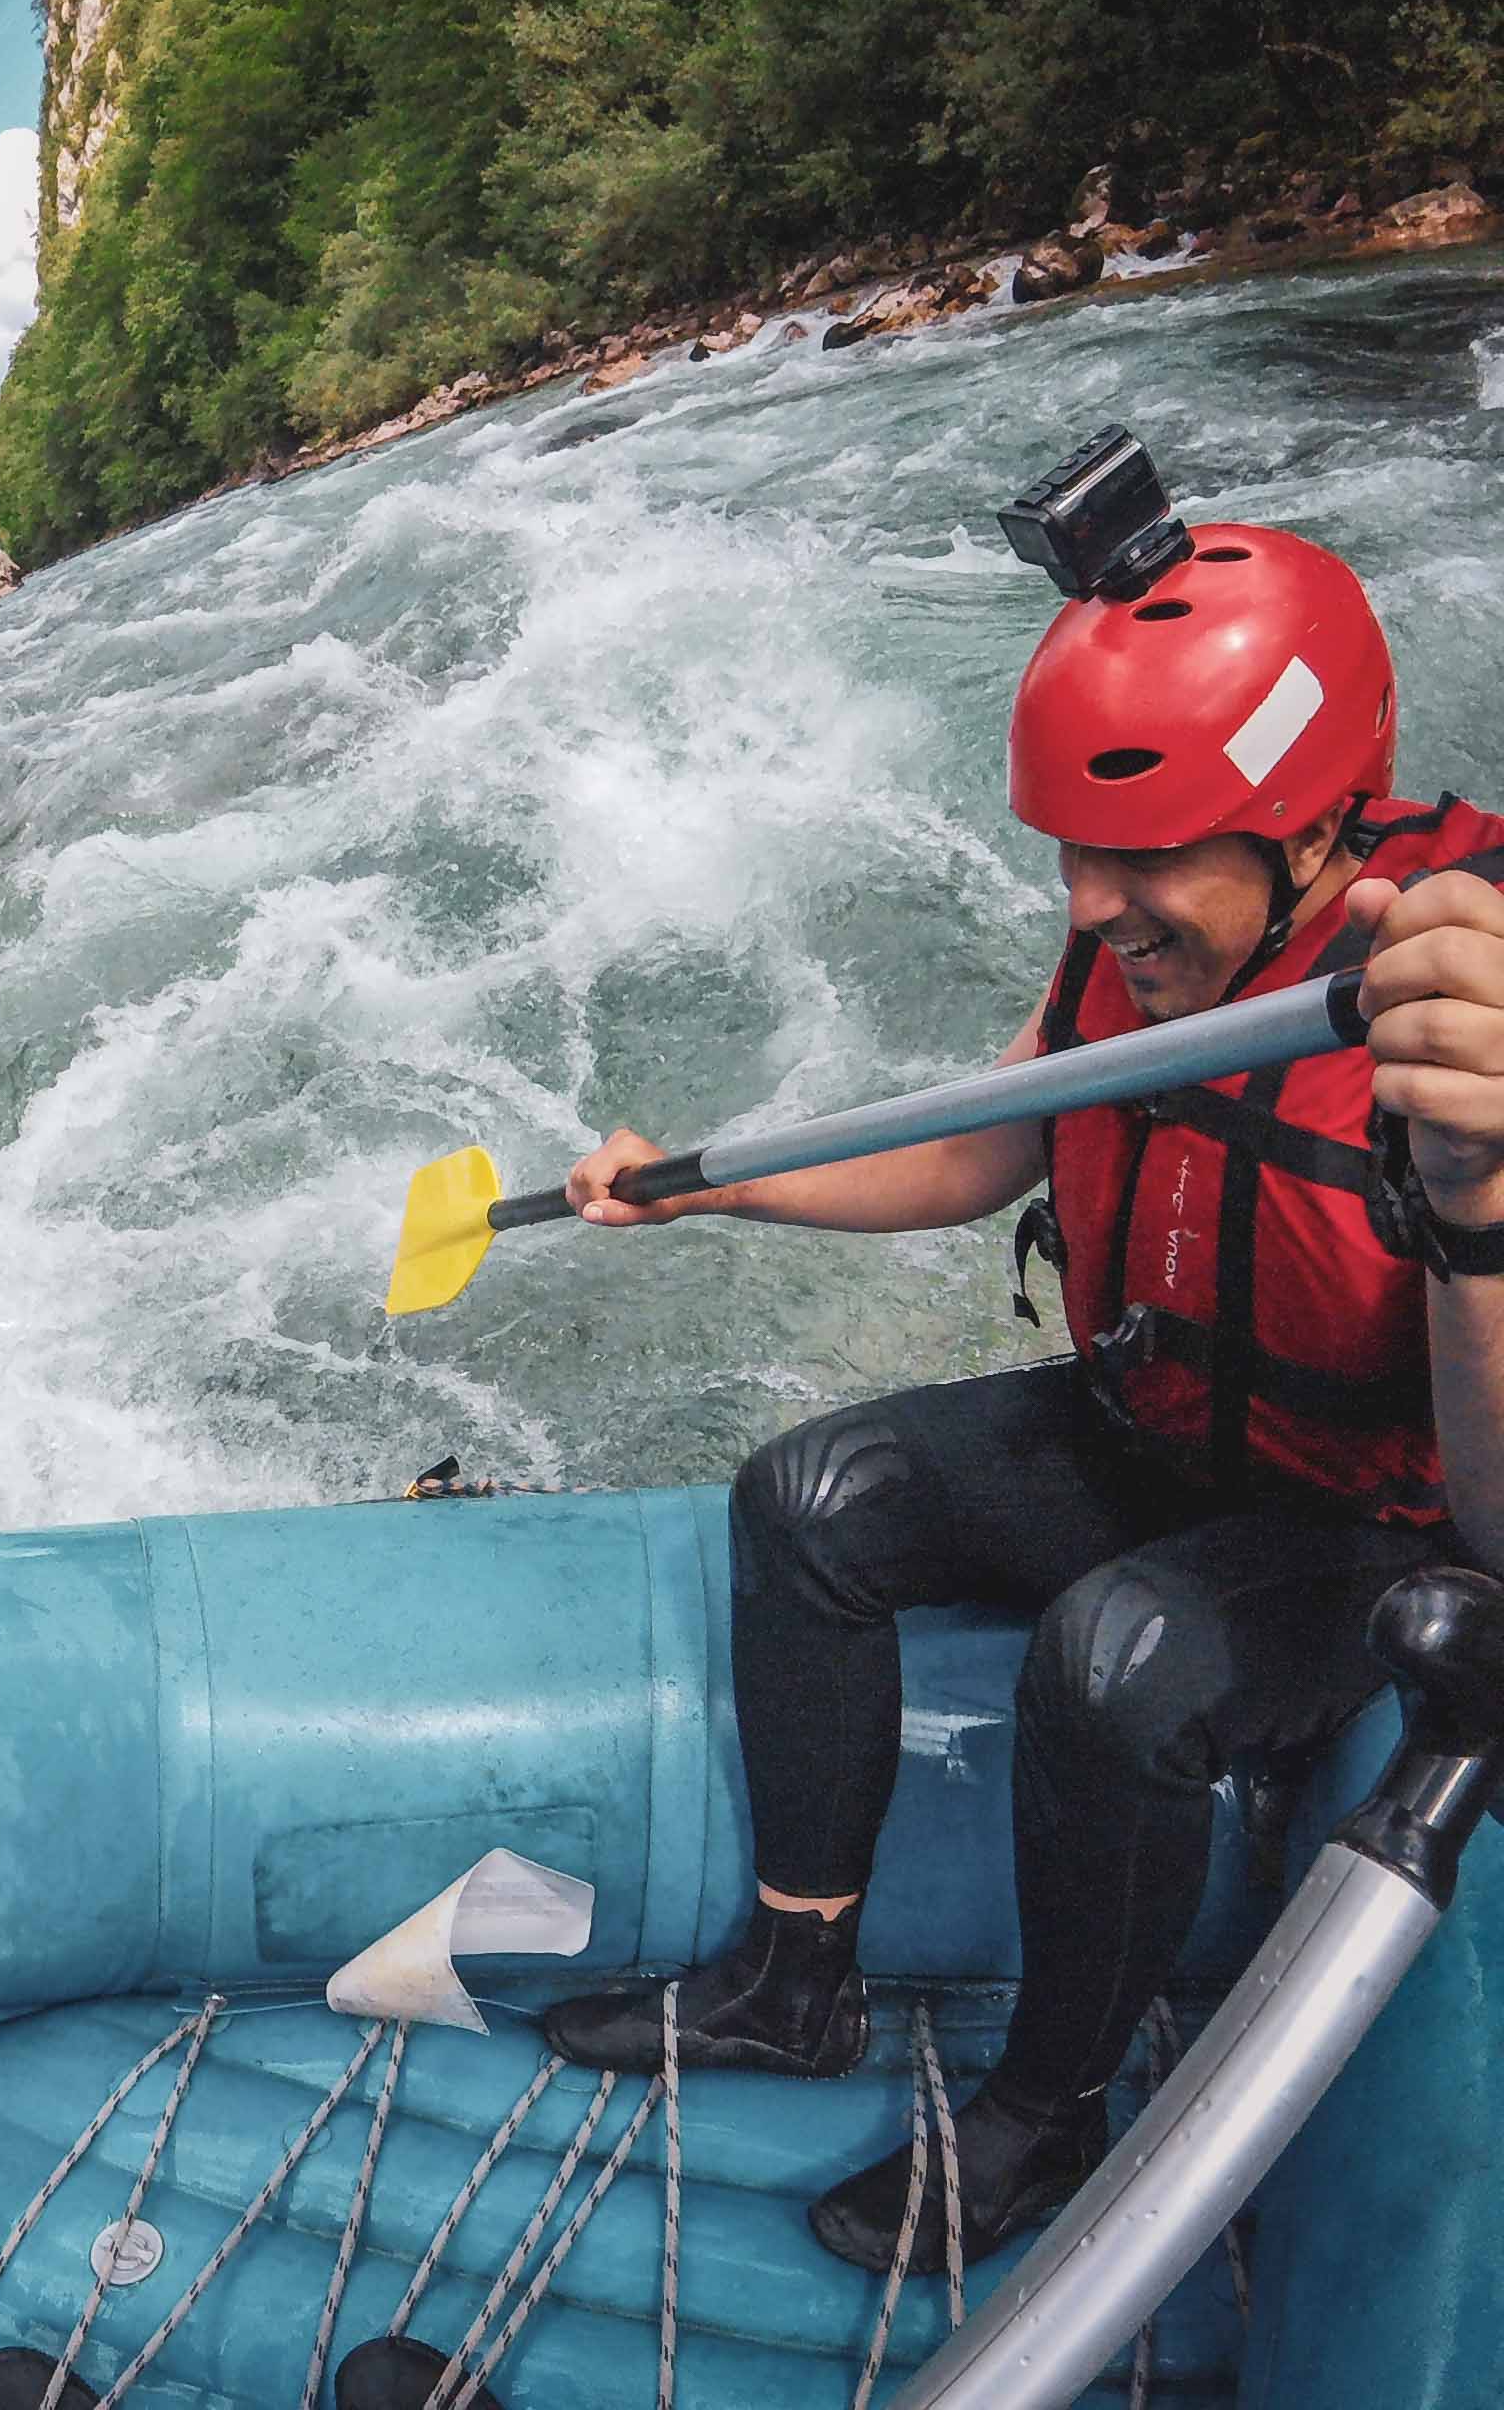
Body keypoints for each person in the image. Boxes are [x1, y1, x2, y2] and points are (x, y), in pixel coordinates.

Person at [533, 507, 1504, 2276]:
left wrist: (1482, 1200)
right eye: (1072, 850)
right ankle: (794, 1978)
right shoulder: (1133, 951)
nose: (1088, 904)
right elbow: (991, 1145)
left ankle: (1050, 2119)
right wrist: (706, 1184)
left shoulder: (1467, 1018)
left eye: (1141, 857)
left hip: (1370, 1518)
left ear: (1312, 820)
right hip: (1164, 1425)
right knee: (808, 1503)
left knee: (1117, 1663)